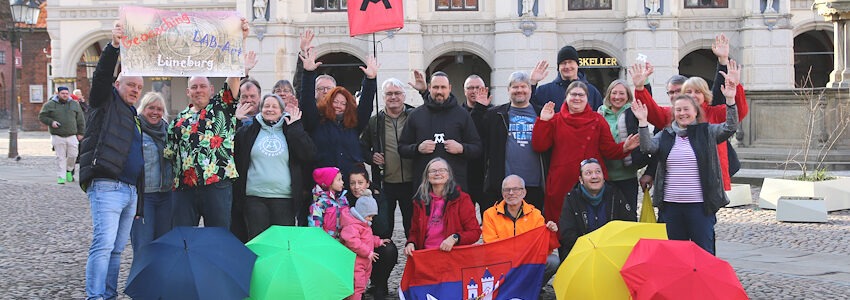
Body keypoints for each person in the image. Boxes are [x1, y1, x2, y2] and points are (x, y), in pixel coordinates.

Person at [632, 75, 739, 255]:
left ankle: (704, 283)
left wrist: (730, 100)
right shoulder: (666, 134)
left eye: (686, 109)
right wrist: (643, 123)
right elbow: (647, 147)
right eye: (678, 110)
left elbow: (730, 127)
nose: (682, 113)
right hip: (671, 206)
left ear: (696, 111)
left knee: (703, 253)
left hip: (700, 206)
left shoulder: (707, 132)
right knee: (674, 254)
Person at [78, 22, 144, 300]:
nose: (135, 90)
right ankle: (95, 296)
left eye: (139, 87)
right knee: (103, 245)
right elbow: (102, 75)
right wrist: (114, 46)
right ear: (118, 84)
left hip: (128, 191)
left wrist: (138, 196)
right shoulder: (105, 100)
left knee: (117, 249)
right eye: (131, 84)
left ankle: (108, 294)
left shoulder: (133, 115)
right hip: (107, 185)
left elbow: (138, 157)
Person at [633, 34, 749, 192]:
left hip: (708, 179)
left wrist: (734, 88)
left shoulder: (715, 113)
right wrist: (640, 88)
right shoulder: (674, 114)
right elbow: (652, 112)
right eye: (688, 91)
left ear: (705, 95)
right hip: (677, 179)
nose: (693, 95)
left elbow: (738, 113)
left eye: (697, 92)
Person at [166, 18, 251, 229]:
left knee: (218, 234)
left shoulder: (221, 106)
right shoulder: (178, 121)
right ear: (188, 92)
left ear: (211, 89)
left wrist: (240, 40)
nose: (198, 90)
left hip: (217, 184)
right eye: (194, 87)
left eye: (203, 86)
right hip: (185, 188)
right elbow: (169, 154)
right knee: (185, 236)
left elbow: (233, 77)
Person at [531, 81, 640, 224]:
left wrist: (624, 148)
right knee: (563, 226)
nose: (577, 98)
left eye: (581, 95)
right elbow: (539, 146)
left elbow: (608, 150)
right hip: (561, 184)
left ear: (587, 98)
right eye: (573, 94)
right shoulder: (555, 120)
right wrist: (543, 121)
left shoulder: (597, 120)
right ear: (566, 97)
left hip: (592, 184)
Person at [298, 32, 378, 181]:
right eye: (335, 102)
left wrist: (370, 80)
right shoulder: (316, 121)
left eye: (343, 103)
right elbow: (306, 101)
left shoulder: (353, 123)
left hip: (351, 182)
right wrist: (308, 73)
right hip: (324, 184)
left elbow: (366, 106)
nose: (339, 106)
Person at [234, 94, 316, 240]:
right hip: (255, 197)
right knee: (258, 243)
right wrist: (237, 121)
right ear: (260, 109)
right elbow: (233, 149)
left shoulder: (289, 129)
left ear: (281, 110)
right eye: (266, 106)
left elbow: (308, 154)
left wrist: (296, 127)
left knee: (283, 244)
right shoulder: (250, 131)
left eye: (274, 106)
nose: (270, 109)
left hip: (284, 198)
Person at [472, 64, 548, 211]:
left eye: (523, 86)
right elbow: (475, 133)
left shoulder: (542, 114)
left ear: (530, 89)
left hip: (534, 186)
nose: (519, 90)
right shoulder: (496, 115)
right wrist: (479, 109)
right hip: (503, 187)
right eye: (515, 87)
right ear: (508, 90)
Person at [398, 72, 482, 192]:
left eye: (443, 87)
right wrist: (418, 148)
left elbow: (477, 148)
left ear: (450, 88)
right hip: (424, 188)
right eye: (435, 87)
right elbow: (402, 148)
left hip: (455, 187)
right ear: (429, 88)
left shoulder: (462, 114)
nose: (439, 91)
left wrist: (461, 148)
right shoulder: (415, 115)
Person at [482, 175, 560, 286]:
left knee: (553, 261)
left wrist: (550, 232)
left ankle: (533, 288)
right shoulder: (490, 214)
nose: (511, 193)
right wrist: (514, 256)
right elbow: (491, 246)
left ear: (524, 192)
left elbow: (543, 248)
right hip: (501, 262)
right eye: (507, 190)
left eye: (516, 189)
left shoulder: (535, 214)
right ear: (502, 193)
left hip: (528, 261)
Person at [361, 78, 416, 237]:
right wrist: (371, 157)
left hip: (412, 183)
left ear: (404, 96)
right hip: (386, 184)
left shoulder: (414, 116)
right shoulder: (375, 121)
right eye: (389, 94)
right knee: (384, 229)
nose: (393, 97)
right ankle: (386, 260)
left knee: (412, 229)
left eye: (397, 93)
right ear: (384, 97)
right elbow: (361, 146)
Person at [558, 158, 637, 259]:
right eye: (588, 173)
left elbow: (628, 223)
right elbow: (567, 233)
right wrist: (590, 247)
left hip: (612, 251)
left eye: (598, 172)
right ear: (581, 180)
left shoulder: (615, 194)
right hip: (582, 253)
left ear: (603, 177)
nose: (594, 176)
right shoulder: (572, 199)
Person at [404, 158, 481, 256]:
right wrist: (411, 243)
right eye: (433, 171)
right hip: (426, 255)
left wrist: (455, 238)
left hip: (453, 255)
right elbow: (414, 232)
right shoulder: (419, 201)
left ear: (449, 175)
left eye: (442, 170)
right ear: (427, 176)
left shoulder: (462, 199)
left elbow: (474, 232)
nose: (437, 173)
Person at [130, 92, 174, 256]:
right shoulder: (134, 129)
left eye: (159, 109)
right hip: (144, 196)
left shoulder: (168, 131)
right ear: (143, 108)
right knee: (143, 246)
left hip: (166, 196)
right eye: (151, 108)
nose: (155, 112)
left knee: (163, 245)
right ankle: (141, 281)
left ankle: (159, 281)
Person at [597, 79, 652, 209]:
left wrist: (643, 81)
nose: (617, 97)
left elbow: (646, 102)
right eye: (614, 93)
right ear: (608, 94)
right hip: (604, 176)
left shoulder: (633, 112)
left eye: (622, 93)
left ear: (628, 96)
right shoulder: (599, 114)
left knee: (627, 214)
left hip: (627, 175)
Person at [347, 165, 398, 300]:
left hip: (371, 242)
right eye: (352, 183)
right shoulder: (345, 199)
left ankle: (379, 284)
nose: (356, 187)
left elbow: (383, 229)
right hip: (352, 246)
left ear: (368, 184)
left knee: (389, 249)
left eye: (360, 182)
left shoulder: (377, 197)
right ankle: (356, 290)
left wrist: (371, 206)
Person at [340, 189, 391, 300]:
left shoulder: (363, 224)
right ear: (362, 214)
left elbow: (367, 239)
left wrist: (378, 241)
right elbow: (353, 241)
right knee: (356, 286)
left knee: (361, 285)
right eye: (370, 216)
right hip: (357, 263)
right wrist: (367, 252)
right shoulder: (353, 226)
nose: (371, 219)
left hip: (365, 263)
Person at [532, 45, 603, 112]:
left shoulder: (592, 91)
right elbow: (529, 107)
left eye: (570, 62)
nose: (567, 66)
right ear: (558, 67)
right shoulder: (544, 91)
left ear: (577, 65)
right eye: (563, 63)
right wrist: (532, 83)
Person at [39, 86, 86, 184]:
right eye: (62, 93)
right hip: (57, 135)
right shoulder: (50, 104)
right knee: (60, 157)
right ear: (58, 94)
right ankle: (61, 176)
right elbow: (42, 116)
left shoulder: (74, 104)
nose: (64, 95)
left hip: (72, 134)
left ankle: (69, 170)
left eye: (66, 93)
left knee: (73, 155)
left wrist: (81, 132)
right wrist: (51, 122)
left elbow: (80, 119)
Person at [309, 167, 350, 238]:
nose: (342, 182)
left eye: (342, 179)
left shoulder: (343, 199)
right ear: (329, 183)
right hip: (328, 241)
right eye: (339, 180)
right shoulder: (320, 204)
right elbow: (315, 226)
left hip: (344, 241)